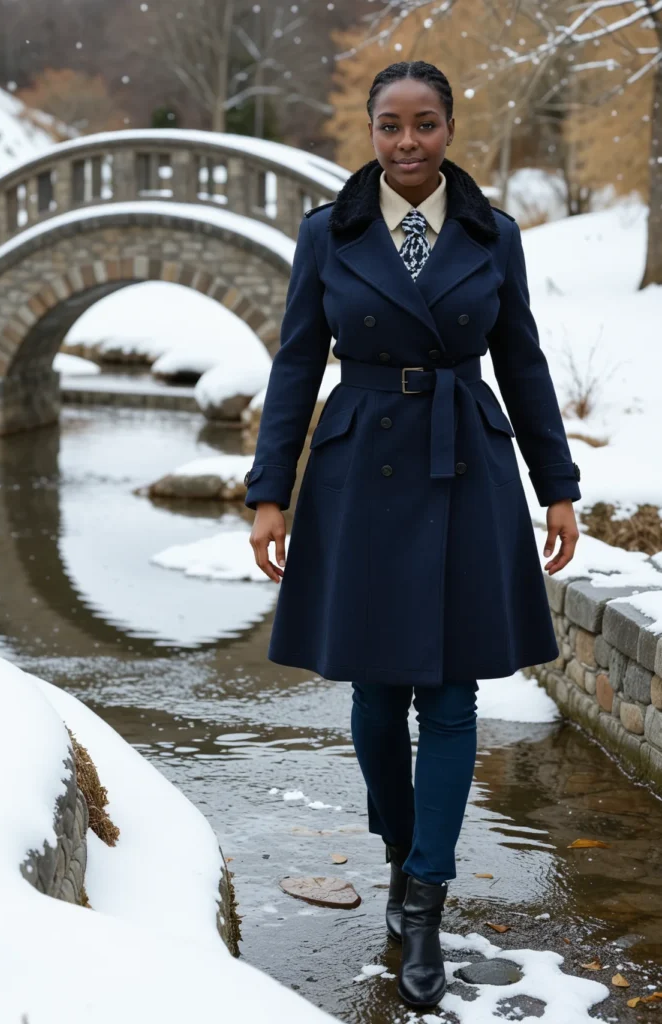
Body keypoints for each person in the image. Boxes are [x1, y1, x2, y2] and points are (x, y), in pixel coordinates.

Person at [243, 60, 580, 1009]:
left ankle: (425, 897)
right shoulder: (329, 233)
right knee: (376, 689)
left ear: (449, 128)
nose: (407, 141)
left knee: (453, 688)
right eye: (391, 125)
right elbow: (296, 365)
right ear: (371, 130)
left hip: (467, 463)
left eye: (425, 124)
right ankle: (399, 855)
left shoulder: (492, 234)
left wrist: (558, 485)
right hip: (358, 473)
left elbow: (523, 362)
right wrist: (270, 491)